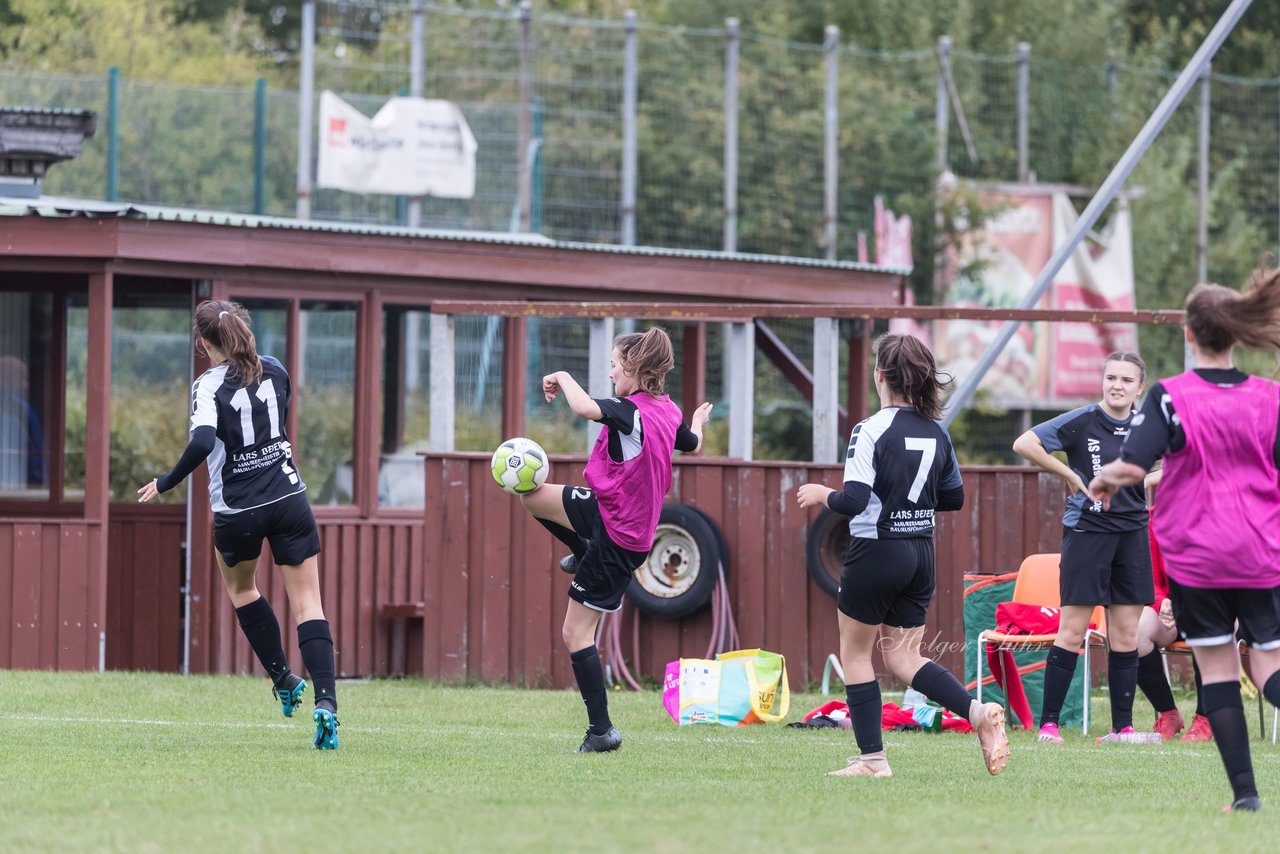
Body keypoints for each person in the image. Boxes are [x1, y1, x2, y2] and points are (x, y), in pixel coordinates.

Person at [1090, 273, 1280, 813]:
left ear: (1189, 335)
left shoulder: (1171, 398)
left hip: (1198, 556)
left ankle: (1245, 797)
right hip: (1260, 553)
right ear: (1237, 336)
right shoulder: (1271, 398)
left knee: (1218, 669)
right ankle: (1244, 797)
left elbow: (1135, 461)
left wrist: (1107, 479)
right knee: (1267, 668)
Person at [796, 333, 1009, 779]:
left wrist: (821, 494)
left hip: (876, 550)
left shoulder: (870, 429)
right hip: (920, 552)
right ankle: (975, 713)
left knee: (856, 656)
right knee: (903, 658)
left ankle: (874, 760)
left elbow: (853, 501)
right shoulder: (937, 433)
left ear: (880, 376)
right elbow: (953, 498)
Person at [137, 300, 340, 750]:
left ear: (203, 343)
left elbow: (204, 439)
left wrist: (167, 481)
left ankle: (284, 680)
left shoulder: (207, 384)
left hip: (237, 508)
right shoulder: (275, 369)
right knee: (309, 604)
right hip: (289, 497)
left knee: (243, 589)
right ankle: (326, 703)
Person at [517, 327, 711, 753]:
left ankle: (601, 731)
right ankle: (580, 549)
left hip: (620, 539)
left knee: (575, 634)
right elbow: (692, 444)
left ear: (635, 370)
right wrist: (697, 419)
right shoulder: (666, 409)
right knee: (533, 496)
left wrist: (562, 375)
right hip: (607, 513)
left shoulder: (630, 411)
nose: (609, 373)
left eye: (613, 366)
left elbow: (585, 407)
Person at [1011, 352, 1152, 744]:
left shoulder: (1148, 425)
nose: (1117, 385)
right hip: (1088, 532)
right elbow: (1025, 442)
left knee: (1125, 635)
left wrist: (1152, 479)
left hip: (1133, 534)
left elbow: (1181, 459)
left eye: (1126, 380)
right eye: (1111, 377)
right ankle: (1049, 726)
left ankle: (1121, 729)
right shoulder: (1083, 420)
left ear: (1140, 387)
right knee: (1072, 630)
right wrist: (1069, 472)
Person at [1136, 467, 1212, 742]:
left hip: (1217, 609)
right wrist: (1163, 603)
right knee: (1136, 629)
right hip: (1172, 613)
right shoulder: (1153, 520)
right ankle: (1168, 713)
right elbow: (1148, 578)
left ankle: (1205, 718)